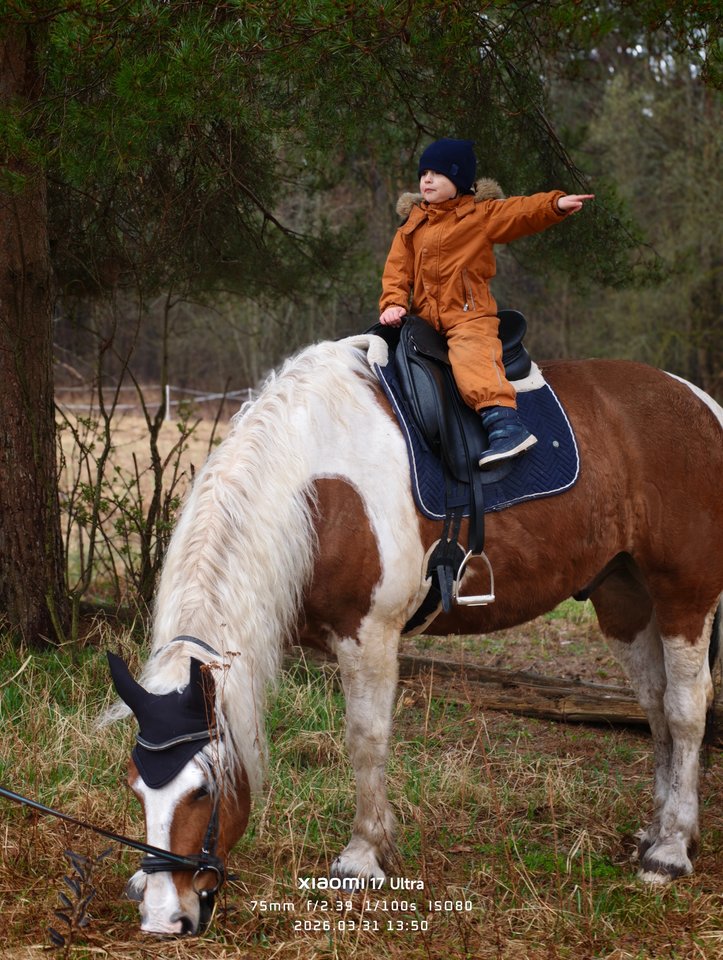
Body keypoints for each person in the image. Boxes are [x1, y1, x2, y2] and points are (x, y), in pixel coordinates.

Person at [379, 137, 593, 468]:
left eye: (438, 173)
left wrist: (554, 205)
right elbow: (397, 270)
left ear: (459, 180)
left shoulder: (480, 215)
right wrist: (393, 303)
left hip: (469, 316)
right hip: (423, 320)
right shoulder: (412, 225)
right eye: (424, 174)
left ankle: (505, 425)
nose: (427, 180)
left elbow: (521, 212)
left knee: (472, 358)